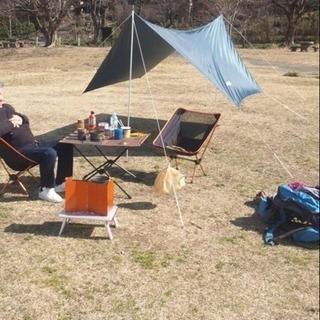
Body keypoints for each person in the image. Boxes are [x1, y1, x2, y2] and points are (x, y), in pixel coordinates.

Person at [0, 81, 73, 203]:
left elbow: (25, 119)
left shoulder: (7, 107)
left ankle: (61, 182)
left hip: (33, 145)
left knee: (65, 144)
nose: (1, 97)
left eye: (1, 94)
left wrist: (21, 118)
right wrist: (11, 123)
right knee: (48, 153)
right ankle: (46, 190)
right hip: (19, 154)